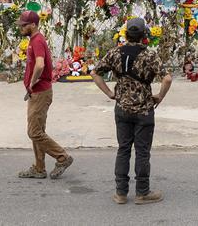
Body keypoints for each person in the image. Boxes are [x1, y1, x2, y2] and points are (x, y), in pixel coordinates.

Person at [91, 17, 173, 205]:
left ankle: (121, 193)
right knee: (142, 151)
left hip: (121, 108)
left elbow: (95, 73)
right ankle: (142, 192)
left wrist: (110, 93)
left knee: (123, 149)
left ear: (126, 34)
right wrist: (159, 96)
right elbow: (167, 79)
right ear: (144, 35)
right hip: (144, 109)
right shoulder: (150, 55)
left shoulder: (114, 53)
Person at [17, 10, 74, 179]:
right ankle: (39, 168)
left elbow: (40, 65)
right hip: (37, 92)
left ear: (33, 25)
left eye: (24, 25)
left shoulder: (37, 41)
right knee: (37, 130)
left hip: (40, 91)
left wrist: (33, 82)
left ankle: (62, 157)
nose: (21, 28)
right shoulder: (34, 40)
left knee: (34, 132)